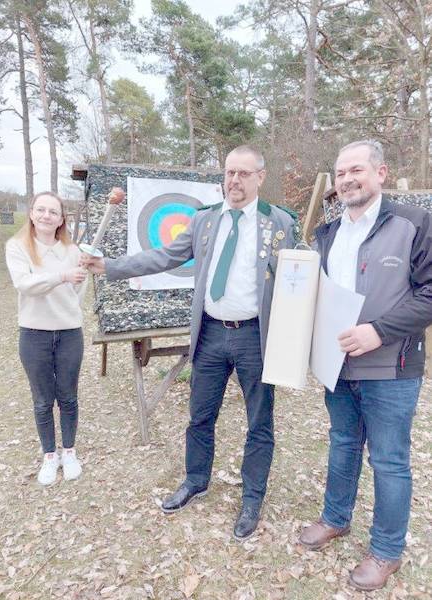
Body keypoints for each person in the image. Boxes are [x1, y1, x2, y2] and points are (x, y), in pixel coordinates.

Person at [81, 145, 295, 540]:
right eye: (230, 172)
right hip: (210, 333)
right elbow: (164, 256)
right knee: (200, 415)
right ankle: (196, 480)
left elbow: (297, 282)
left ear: (260, 177)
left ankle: (252, 497)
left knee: (259, 421)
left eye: (244, 173)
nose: (235, 180)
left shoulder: (279, 223)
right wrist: (111, 266)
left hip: (255, 336)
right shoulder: (205, 220)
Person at [299, 140, 432, 591]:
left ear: (381, 173)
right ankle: (335, 519)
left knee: (389, 460)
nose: (347, 179)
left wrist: (379, 330)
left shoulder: (414, 224)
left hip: (391, 368)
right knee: (342, 444)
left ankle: (386, 551)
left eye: (356, 169)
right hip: (338, 367)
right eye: (340, 173)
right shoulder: (327, 233)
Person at [6, 192, 87, 486]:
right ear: (31, 213)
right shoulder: (17, 247)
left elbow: (79, 290)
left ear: (61, 219)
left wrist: (67, 310)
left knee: (68, 397)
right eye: (40, 210)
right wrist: (61, 277)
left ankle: (69, 452)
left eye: (53, 212)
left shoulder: (73, 251)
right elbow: (25, 285)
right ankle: (50, 455)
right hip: (33, 334)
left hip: (69, 333)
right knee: (42, 400)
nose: (46, 216)